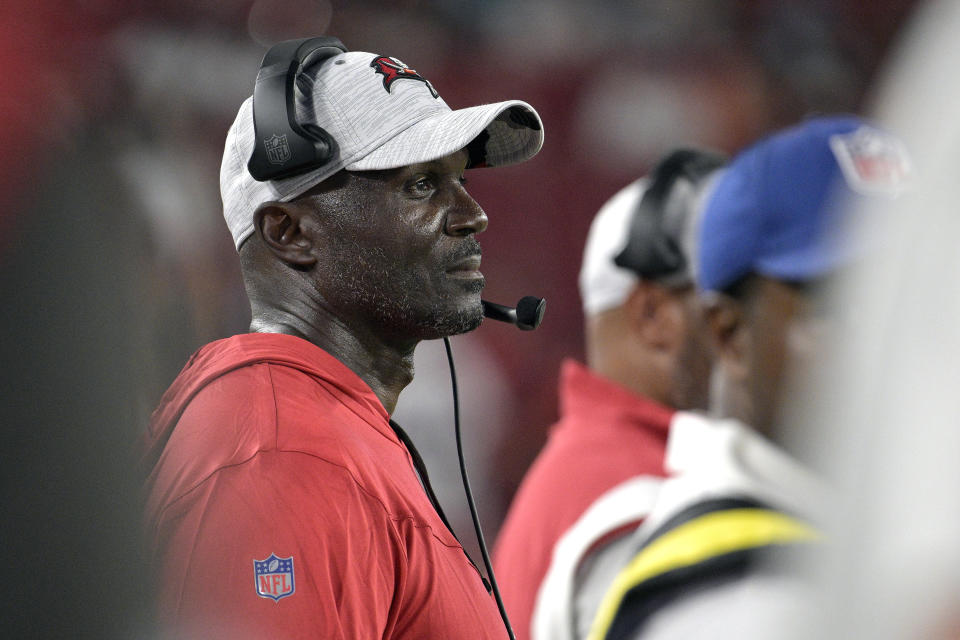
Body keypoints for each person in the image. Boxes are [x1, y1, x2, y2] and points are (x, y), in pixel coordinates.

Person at [141, 37, 544, 639]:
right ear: (290, 233)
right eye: (420, 185)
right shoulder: (286, 460)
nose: (471, 214)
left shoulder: (317, 432)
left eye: (459, 180)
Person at [587, 115, 912, 640]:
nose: (890, 342)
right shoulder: (727, 606)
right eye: (840, 306)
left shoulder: (883, 521)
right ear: (731, 335)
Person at [492, 148, 727, 640]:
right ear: (652, 316)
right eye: (729, 300)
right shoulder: (636, 502)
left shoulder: (603, 466)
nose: (751, 328)